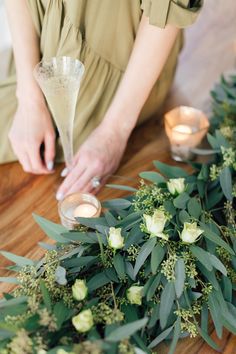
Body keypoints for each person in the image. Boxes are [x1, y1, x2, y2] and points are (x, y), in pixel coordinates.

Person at [1, 0, 202, 200]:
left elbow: (165, 9)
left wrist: (113, 132)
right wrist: (28, 97)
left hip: (123, 65)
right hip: (39, 34)